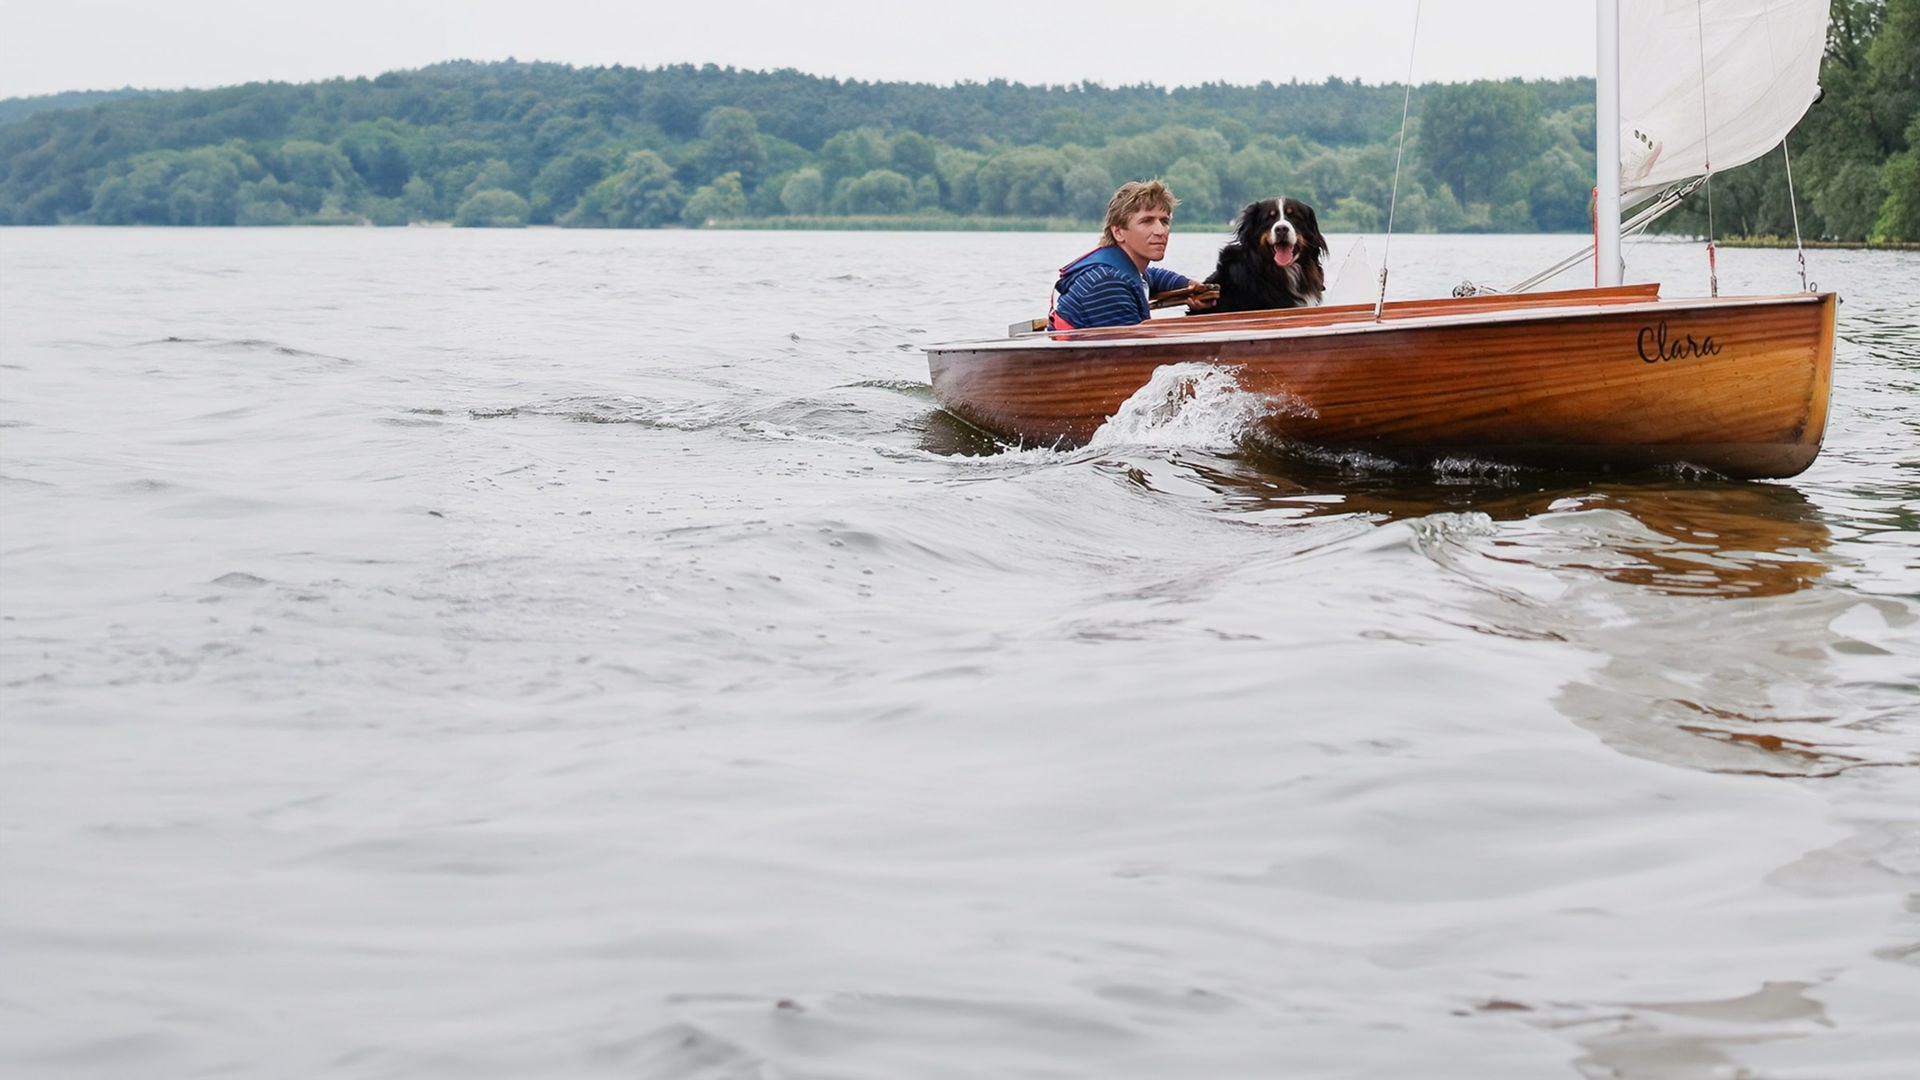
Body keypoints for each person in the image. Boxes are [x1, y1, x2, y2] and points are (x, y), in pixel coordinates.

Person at [1049, 180, 1215, 330]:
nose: (1160, 231)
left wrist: (1188, 287)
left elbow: (1152, 276)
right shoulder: (1108, 283)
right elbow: (1136, 354)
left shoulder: (1126, 269)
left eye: (1164, 221)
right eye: (1146, 221)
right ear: (1118, 232)